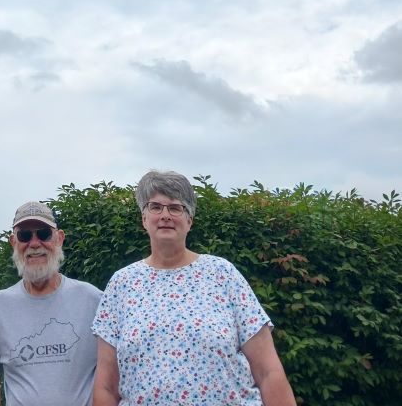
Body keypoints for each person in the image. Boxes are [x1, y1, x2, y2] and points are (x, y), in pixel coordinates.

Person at [92, 169, 297, 406]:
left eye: (176, 207)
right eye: (155, 207)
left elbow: (268, 371)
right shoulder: (121, 284)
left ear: (189, 221)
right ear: (144, 219)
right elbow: (106, 387)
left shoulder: (223, 274)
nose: (165, 215)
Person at [0, 200, 101, 406]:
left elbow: (114, 373)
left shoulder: (93, 300)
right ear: (13, 242)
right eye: (24, 235)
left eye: (43, 233)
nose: (34, 244)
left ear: (59, 238)